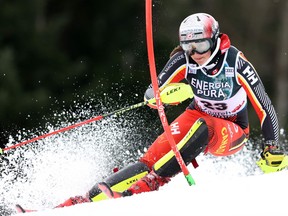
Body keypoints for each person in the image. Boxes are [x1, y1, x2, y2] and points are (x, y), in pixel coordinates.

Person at [56, 12, 286, 207]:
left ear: (215, 40)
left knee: (205, 127)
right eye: (189, 46)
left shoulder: (235, 62)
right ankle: (83, 201)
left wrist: (271, 146)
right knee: (149, 159)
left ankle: (151, 184)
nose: (196, 53)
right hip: (198, 115)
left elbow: (264, 105)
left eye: (202, 45)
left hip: (233, 129)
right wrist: (164, 96)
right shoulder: (183, 60)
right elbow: (151, 94)